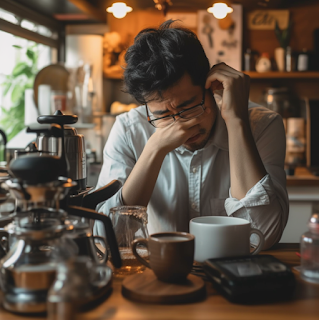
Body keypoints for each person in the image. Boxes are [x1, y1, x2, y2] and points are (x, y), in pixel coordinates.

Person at [94, 20, 289, 249]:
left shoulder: (263, 126)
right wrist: (155, 149)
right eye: (163, 115)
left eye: (189, 107)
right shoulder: (128, 130)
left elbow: (262, 236)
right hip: (156, 276)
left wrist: (236, 121)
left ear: (211, 86)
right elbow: (106, 240)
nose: (181, 126)